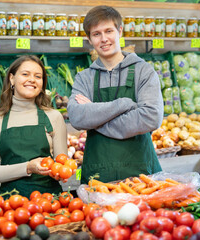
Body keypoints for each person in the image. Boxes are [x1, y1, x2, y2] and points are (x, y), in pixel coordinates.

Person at [67, 5, 164, 184]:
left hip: (142, 176)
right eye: (96, 34)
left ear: (120, 31)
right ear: (89, 39)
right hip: (98, 177)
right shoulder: (84, 78)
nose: (104, 39)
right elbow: (77, 117)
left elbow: (151, 117)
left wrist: (96, 119)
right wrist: (124, 104)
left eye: (108, 31)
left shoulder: (144, 71)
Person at [0, 55, 67, 197]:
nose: (32, 79)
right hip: (11, 205)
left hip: (50, 203)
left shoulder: (54, 117)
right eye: (25, 74)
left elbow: (61, 165)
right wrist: (28, 167)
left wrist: (63, 171)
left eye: (38, 76)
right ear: (12, 79)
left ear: (42, 84)